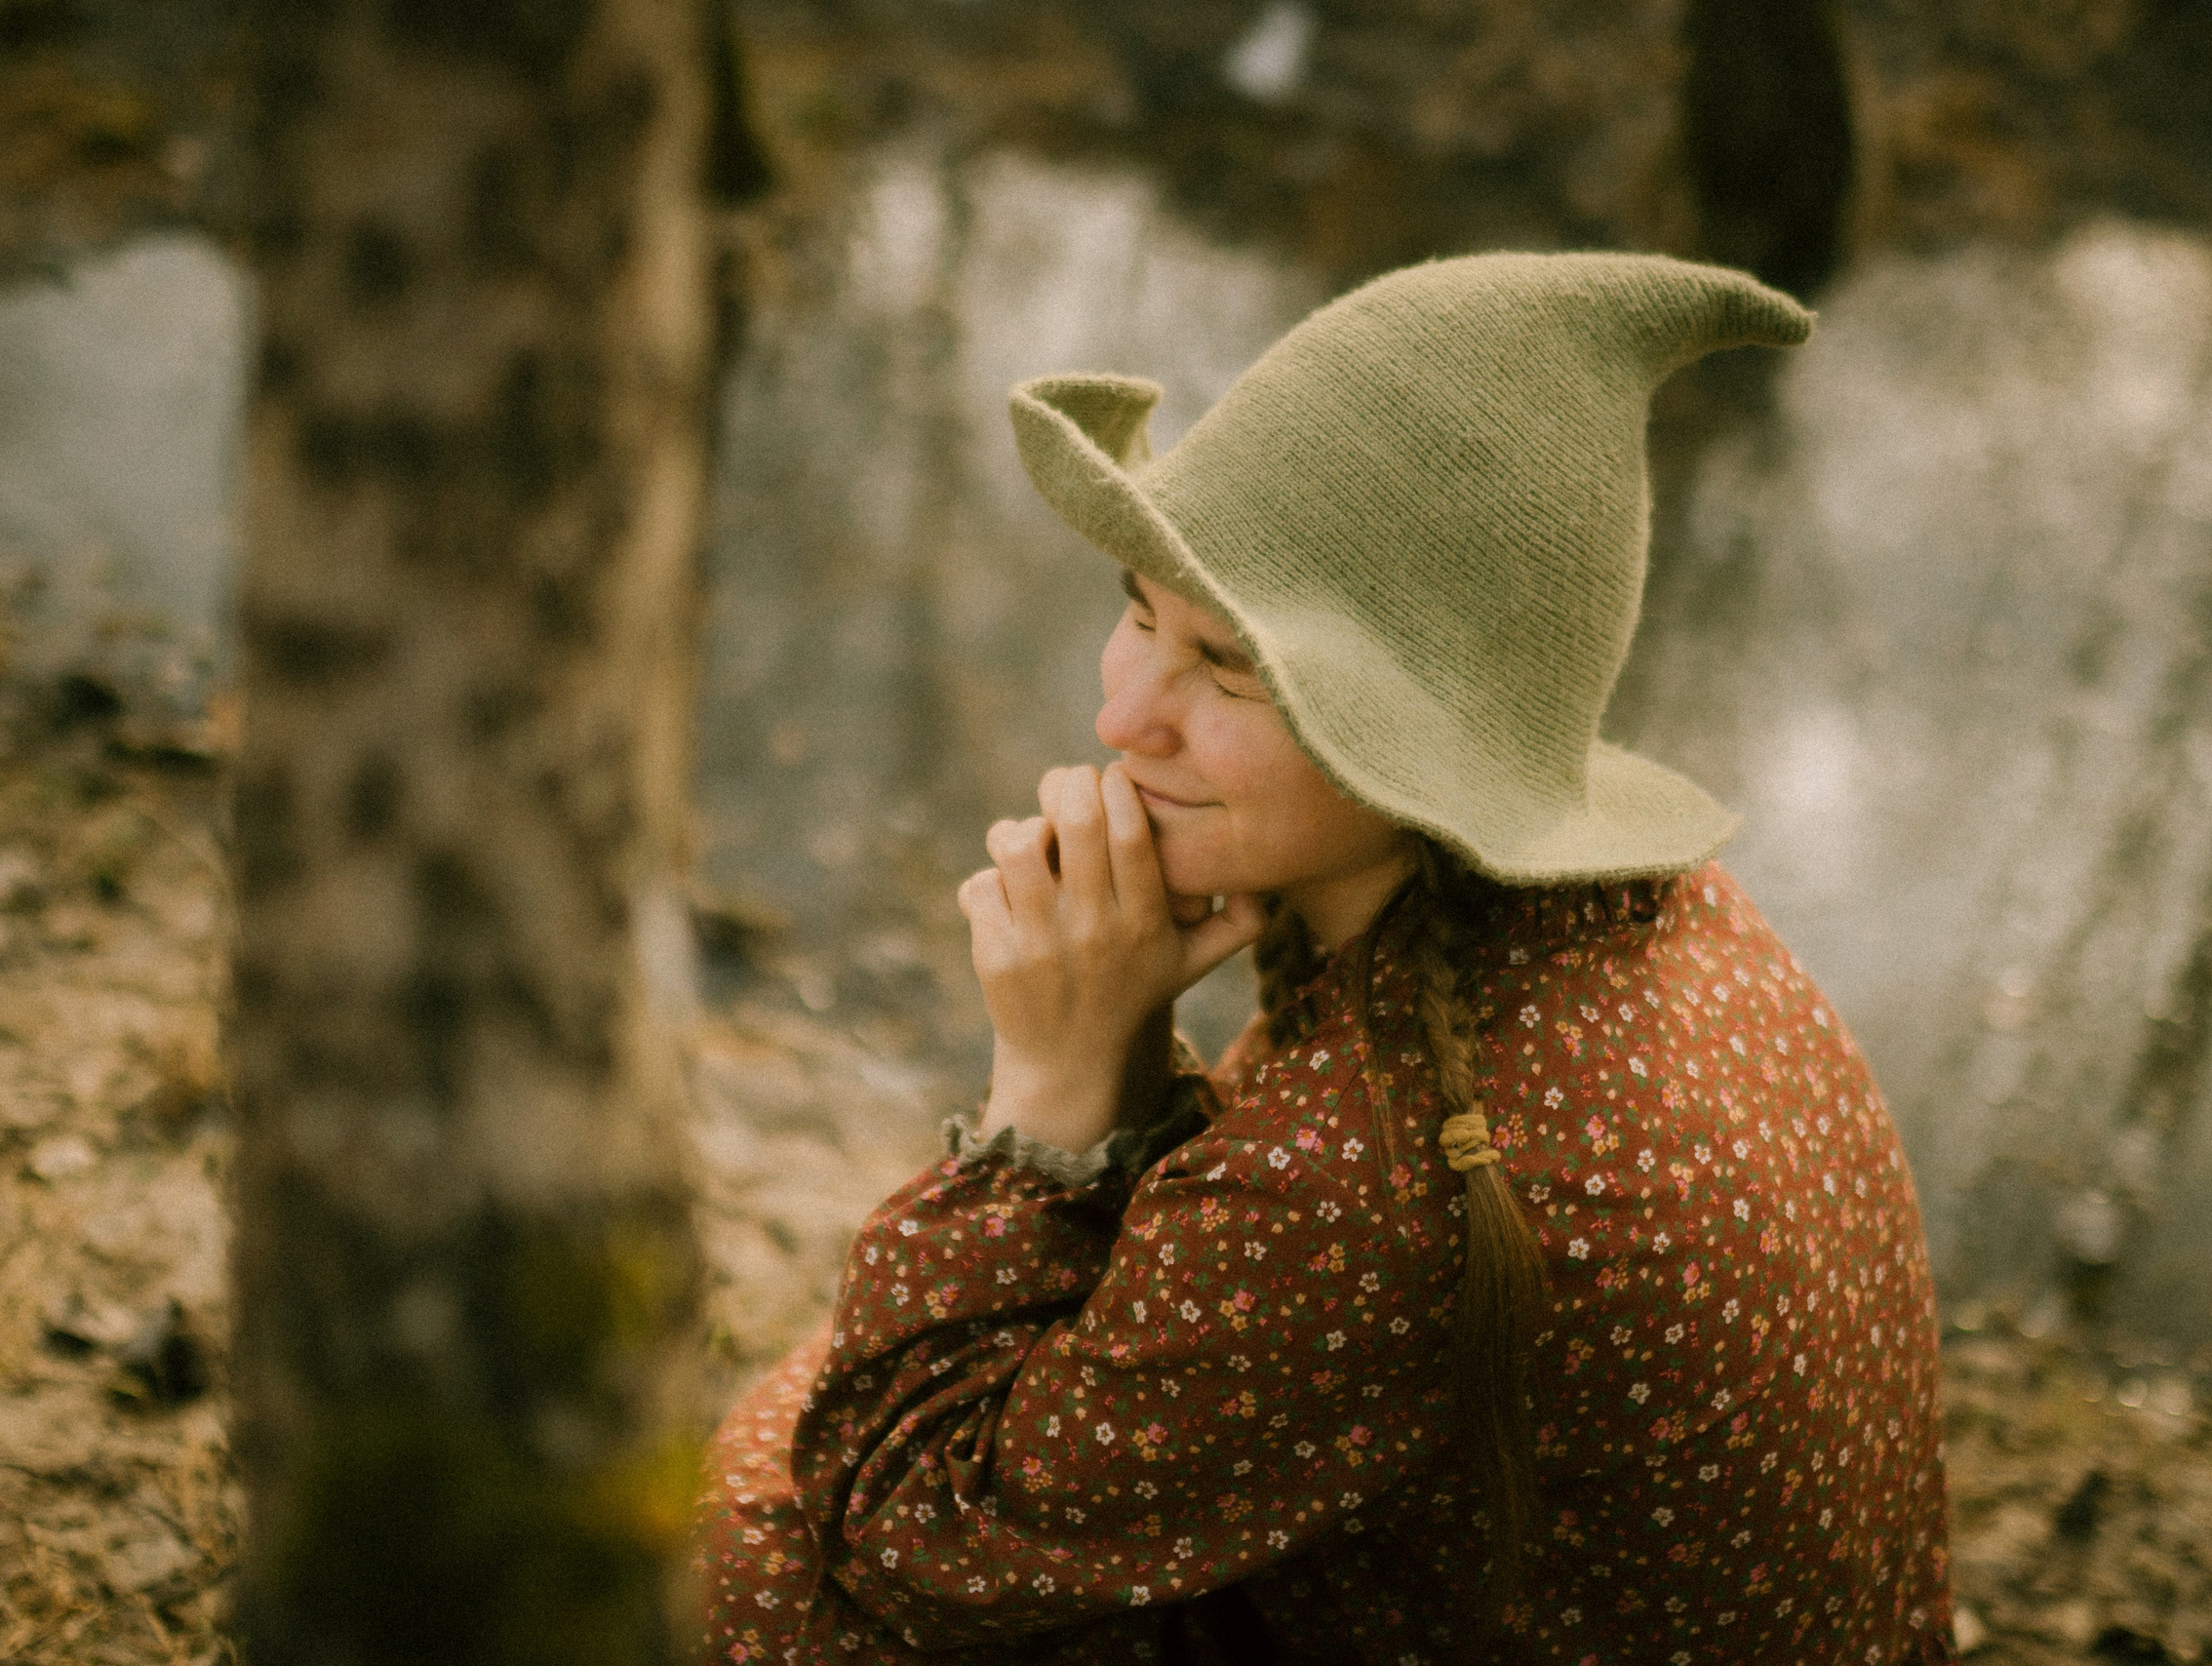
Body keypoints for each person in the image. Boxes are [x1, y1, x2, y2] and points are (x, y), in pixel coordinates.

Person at [691, 253, 1955, 1665]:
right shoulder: (1660, 911)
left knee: (769, 1545)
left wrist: (1050, 1096)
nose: (1122, 714)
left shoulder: (1377, 1170)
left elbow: (911, 1543)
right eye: (1137, 608)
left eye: (1228, 668)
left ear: (1426, 733)